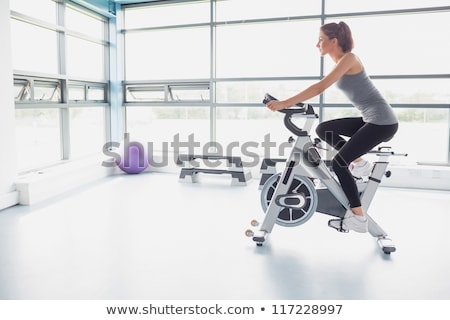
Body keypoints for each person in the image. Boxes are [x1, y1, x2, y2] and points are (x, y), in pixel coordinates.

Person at [266, 21, 398, 233]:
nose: (316, 44)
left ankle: (358, 218)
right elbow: (319, 87)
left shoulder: (350, 59)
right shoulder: (341, 63)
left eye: (320, 40)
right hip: (370, 119)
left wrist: (285, 103)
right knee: (323, 129)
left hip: (382, 122)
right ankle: (361, 165)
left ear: (334, 41)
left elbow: (319, 87)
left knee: (339, 164)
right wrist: (291, 103)